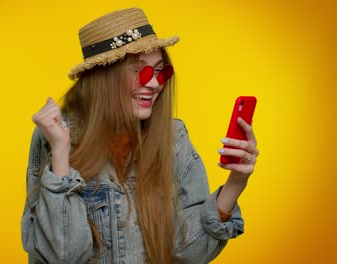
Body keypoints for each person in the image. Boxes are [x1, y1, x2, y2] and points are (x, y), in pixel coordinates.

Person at [21, 7, 259, 264]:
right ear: (105, 78)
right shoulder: (57, 135)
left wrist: (236, 182)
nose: (155, 84)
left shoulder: (173, 136)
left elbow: (188, 254)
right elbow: (63, 256)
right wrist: (60, 153)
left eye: (161, 71)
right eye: (141, 72)